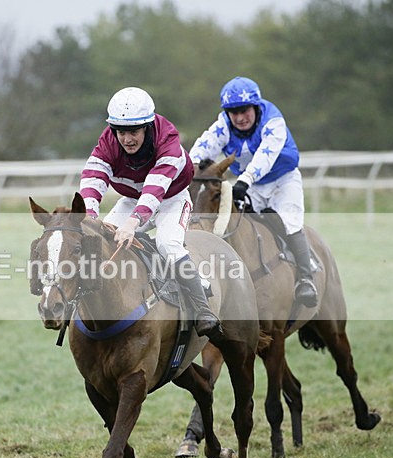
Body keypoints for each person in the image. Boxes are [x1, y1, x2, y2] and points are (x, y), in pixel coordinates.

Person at [79, 87, 221, 338]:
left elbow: (155, 190)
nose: (127, 139)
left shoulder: (168, 140)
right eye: (121, 132)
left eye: (133, 131)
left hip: (172, 199)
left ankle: (203, 309)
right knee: (99, 241)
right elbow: (93, 178)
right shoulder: (108, 142)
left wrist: (132, 224)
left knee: (168, 244)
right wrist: (89, 218)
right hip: (132, 199)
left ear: (147, 127)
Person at [189, 76, 318, 307]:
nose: (239, 118)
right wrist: (188, 169)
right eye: (233, 112)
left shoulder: (273, 121)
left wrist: (245, 180)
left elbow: (265, 156)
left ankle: (306, 279)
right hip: (252, 186)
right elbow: (202, 147)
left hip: (283, 181)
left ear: (256, 107)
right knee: (237, 225)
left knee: (290, 223)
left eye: (244, 111)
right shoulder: (223, 125)